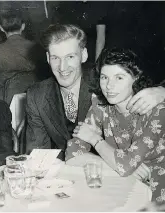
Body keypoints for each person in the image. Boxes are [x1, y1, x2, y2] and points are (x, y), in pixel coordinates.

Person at [25, 24, 165, 161]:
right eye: (56, 58)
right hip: (72, 169)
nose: (62, 67)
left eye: (70, 57)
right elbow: (38, 154)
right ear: (48, 58)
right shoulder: (37, 95)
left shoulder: (108, 83)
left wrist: (161, 91)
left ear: (84, 55)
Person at [65, 48, 165, 204]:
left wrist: (93, 138)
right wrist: (115, 163)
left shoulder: (156, 110)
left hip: (157, 187)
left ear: (136, 78)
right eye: (104, 77)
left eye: (119, 78)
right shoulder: (100, 106)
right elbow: (71, 155)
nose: (109, 86)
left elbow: (125, 166)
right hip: (125, 180)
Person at [0, 10, 47, 88]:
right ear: (23, 26)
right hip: (35, 93)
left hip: (4, 96)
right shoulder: (38, 48)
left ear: (1, 28)